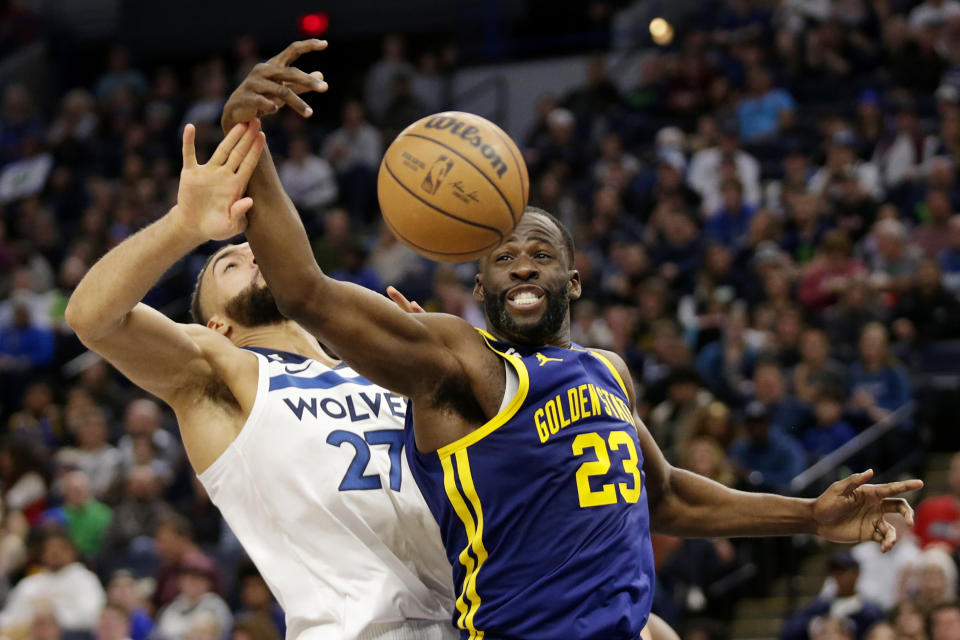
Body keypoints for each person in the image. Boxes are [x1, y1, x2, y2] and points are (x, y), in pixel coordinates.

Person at [222, 39, 922, 640]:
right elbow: (306, 292)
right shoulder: (459, 363)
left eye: (540, 252)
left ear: (575, 281)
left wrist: (808, 515)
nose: (522, 261)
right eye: (503, 257)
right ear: (481, 291)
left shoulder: (608, 371)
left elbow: (670, 497)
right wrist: (248, 140)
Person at [65, 59, 455, 639]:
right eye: (229, 262)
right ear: (217, 326)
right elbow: (93, 318)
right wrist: (185, 226)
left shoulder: (380, 370)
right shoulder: (221, 373)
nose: (251, 253)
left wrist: (447, 390)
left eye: (250, 249)